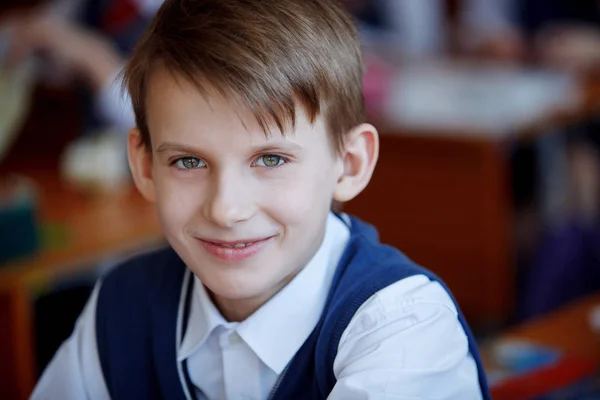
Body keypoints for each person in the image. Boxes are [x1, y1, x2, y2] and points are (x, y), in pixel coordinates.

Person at [31, 0, 490, 398]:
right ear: (145, 165)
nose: (227, 210)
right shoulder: (120, 307)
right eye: (188, 162)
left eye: (270, 160)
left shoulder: (403, 331)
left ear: (349, 163)